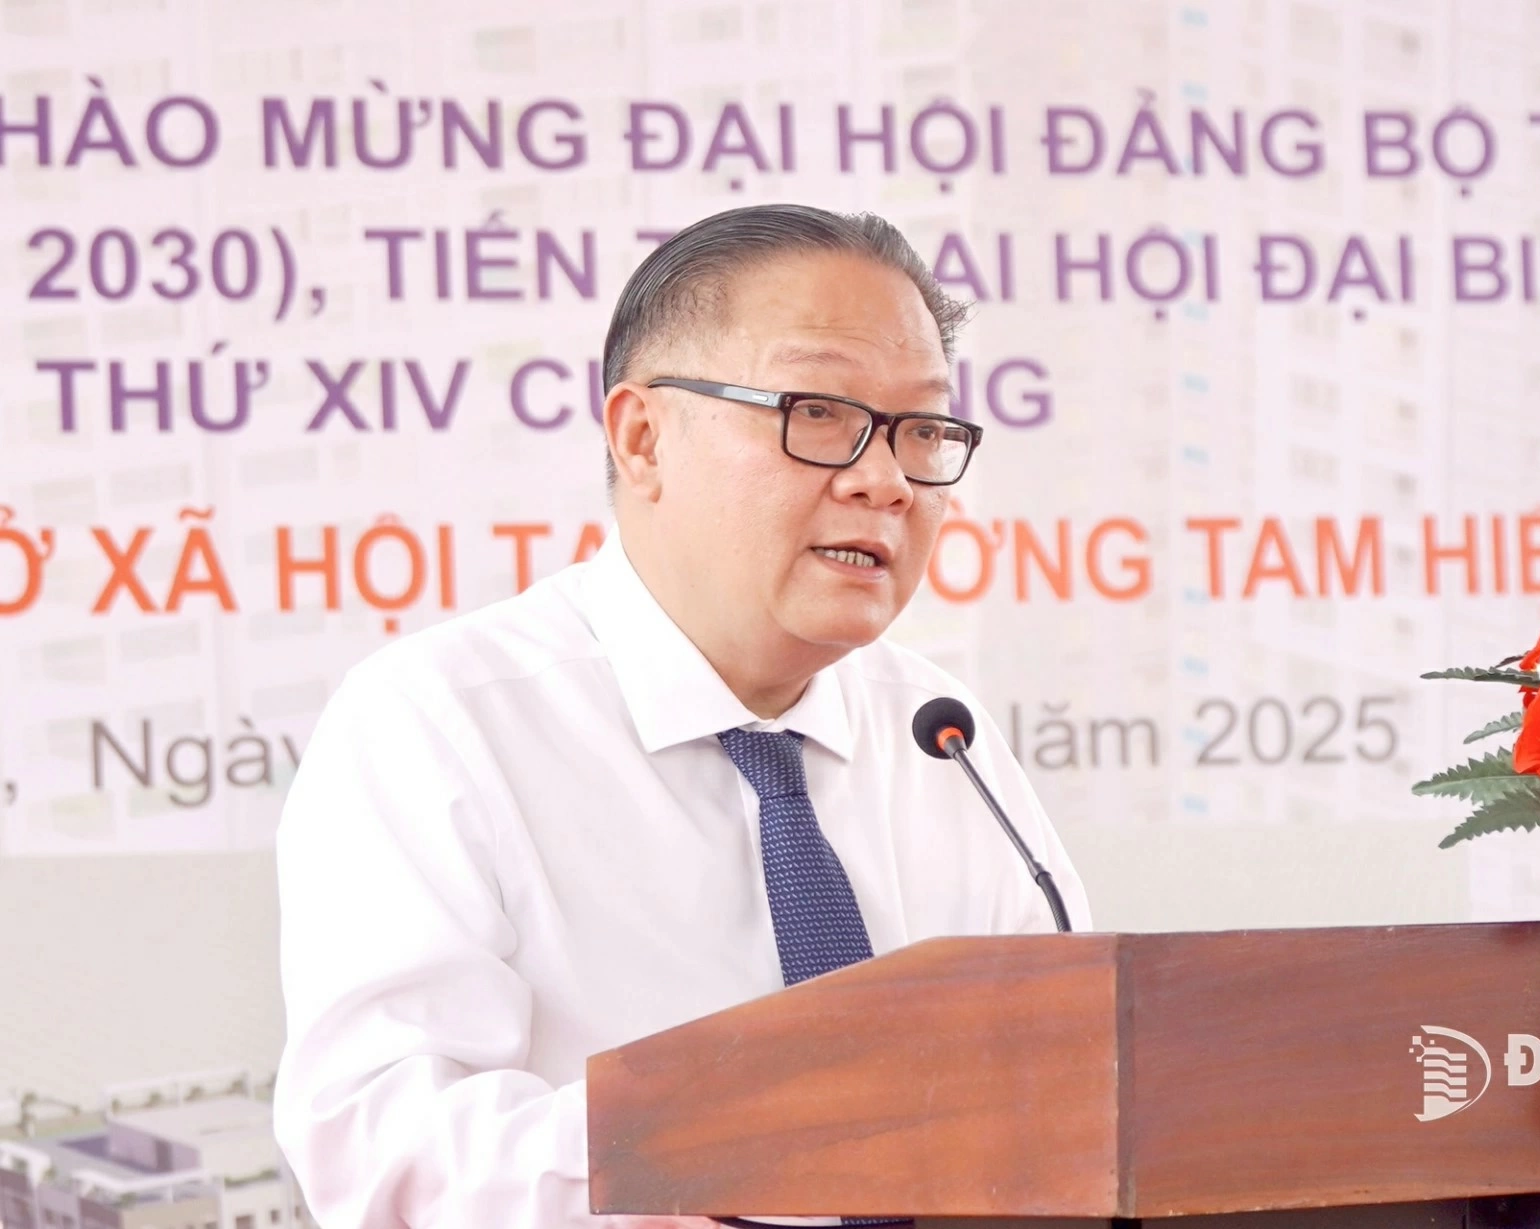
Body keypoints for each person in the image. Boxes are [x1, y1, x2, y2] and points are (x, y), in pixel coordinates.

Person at [271, 203, 1091, 1229]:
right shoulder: (440, 724)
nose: (885, 480)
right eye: (820, 412)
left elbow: (1074, 1083)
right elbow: (387, 1141)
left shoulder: (938, 733)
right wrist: (713, 1157)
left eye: (922, 430)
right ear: (643, 437)